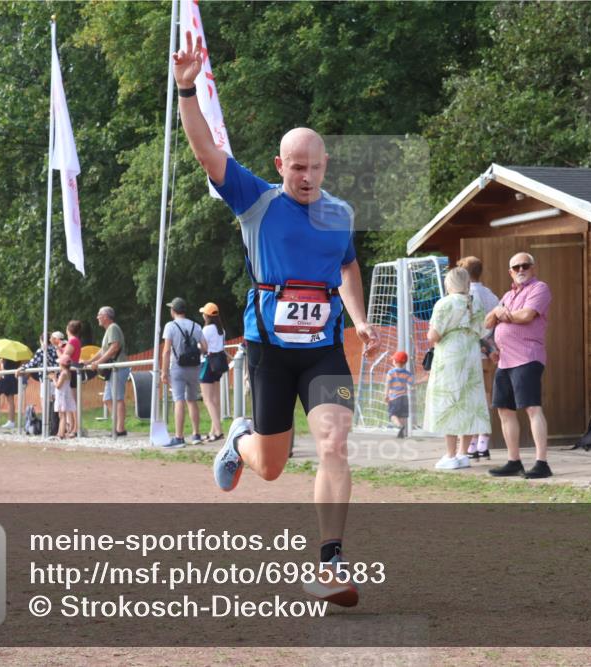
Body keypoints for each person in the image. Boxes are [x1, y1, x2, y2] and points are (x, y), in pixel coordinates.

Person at [173, 32, 377, 607]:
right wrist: (188, 89)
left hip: (323, 349)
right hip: (267, 351)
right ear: (279, 165)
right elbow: (207, 153)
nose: (305, 176)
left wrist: (358, 318)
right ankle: (240, 439)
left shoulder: (340, 213)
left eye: (314, 167)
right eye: (296, 167)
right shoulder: (254, 199)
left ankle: (330, 560)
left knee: (336, 442)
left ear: (325, 165)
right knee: (268, 467)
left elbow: (348, 268)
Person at [484, 252, 553, 479]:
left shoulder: (539, 288)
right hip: (505, 360)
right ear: (510, 272)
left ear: (533, 268)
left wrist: (503, 314)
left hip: (527, 357)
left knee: (532, 408)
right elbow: (487, 323)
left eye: (525, 265)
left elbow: (526, 315)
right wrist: (495, 311)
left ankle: (542, 463)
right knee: (504, 410)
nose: (521, 270)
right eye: (516, 267)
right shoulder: (506, 294)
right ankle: (514, 461)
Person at [424, 268, 491, 470]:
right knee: (468, 400)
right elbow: (483, 331)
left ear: (449, 284)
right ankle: (463, 454)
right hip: (471, 355)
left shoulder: (444, 303)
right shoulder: (475, 303)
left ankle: (450, 455)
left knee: (449, 400)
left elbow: (433, 335)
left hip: (449, 356)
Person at [457, 255, 499, 460]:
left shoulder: (464, 296)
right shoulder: (489, 294)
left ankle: (471, 441)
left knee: (469, 397)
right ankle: (483, 441)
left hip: (468, 350)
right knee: (486, 395)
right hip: (487, 351)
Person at [160, 297, 208, 447]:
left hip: (177, 367)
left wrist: (163, 371)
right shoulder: (196, 325)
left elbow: (167, 351)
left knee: (179, 400)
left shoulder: (170, 326)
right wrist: (194, 351)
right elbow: (205, 348)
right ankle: (196, 435)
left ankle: (179, 437)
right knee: (192, 400)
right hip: (195, 367)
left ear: (173, 310)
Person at [88, 306, 129, 436]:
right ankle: (117, 425)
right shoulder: (109, 330)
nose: (97, 317)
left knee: (117, 398)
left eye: (99, 315)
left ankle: (120, 429)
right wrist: (89, 362)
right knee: (107, 399)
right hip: (112, 369)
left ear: (106, 316)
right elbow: (103, 351)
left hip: (118, 368)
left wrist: (98, 363)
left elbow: (114, 347)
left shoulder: (113, 328)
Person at [198, 302, 229, 442]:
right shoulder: (221, 330)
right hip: (219, 363)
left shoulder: (206, 330)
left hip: (208, 363)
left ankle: (218, 430)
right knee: (215, 399)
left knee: (207, 399)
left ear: (207, 316)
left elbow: (202, 346)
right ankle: (213, 431)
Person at [385, 351, 413, 438]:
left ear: (395, 362)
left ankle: (399, 426)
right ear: (405, 363)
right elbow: (412, 383)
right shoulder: (407, 373)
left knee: (393, 415)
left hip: (394, 398)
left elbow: (388, 384)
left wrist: (386, 395)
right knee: (402, 416)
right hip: (404, 398)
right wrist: (424, 379)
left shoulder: (391, 373)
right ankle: (402, 433)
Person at [53, 354, 76, 439]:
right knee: (62, 415)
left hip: (61, 396)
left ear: (62, 364)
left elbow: (58, 386)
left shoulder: (63, 374)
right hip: (65, 395)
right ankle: (60, 432)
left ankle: (61, 434)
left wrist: (53, 378)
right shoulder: (68, 373)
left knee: (62, 416)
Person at [0, 357, 19, 429]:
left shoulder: (8, 359)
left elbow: (4, 369)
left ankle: (11, 421)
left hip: (9, 379)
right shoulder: (14, 358)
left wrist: (2, 363)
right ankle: (11, 420)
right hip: (10, 378)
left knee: (10, 401)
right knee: (10, 401)